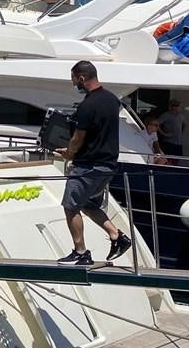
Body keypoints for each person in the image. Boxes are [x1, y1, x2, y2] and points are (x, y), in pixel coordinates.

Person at [55, 60, 132, 265]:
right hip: (108, 165)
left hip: (89, 166)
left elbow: (78, 138)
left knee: (70, 206)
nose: (74, 85)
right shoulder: (112, 100)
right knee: (87, 204)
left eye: (74, 80)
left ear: (82, 78)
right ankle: (117, 237)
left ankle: (81, 253)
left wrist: (69, 153)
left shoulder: (88, 106)